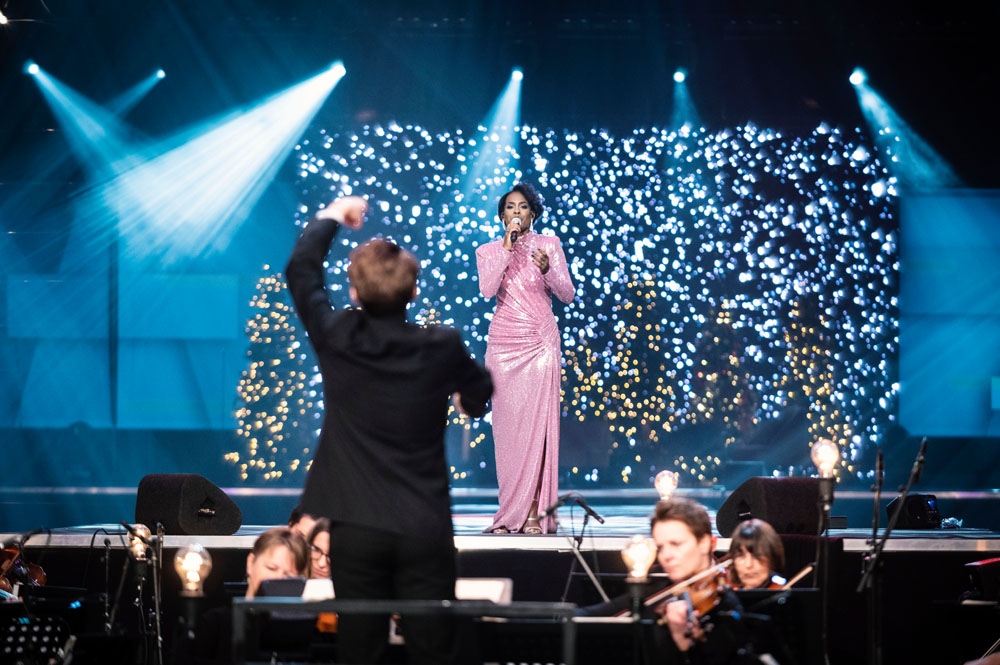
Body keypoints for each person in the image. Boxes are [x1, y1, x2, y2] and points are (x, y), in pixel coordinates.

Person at [285, 195, 493, 665]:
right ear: (414, 292)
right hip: (423, 524)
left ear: (354, 294)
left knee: (360, 649)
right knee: (433, 649)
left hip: (356, 524)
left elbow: (301, 271)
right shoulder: (441, 345)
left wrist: (335, 215)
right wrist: (464, 399)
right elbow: (481, 390)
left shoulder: (338, 335)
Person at [475, 182, 576, 534]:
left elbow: (568, 294)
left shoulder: (550, 245)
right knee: (508, 434)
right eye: (509, 208)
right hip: (503, 346)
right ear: (502, 215)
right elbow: (487, 290)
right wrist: (506, 247)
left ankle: (534, 513)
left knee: (538, 431)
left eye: (522, 208)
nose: (516, 213)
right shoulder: (488, 250)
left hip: (539, 343)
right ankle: (508, 513)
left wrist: (550, 269)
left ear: (533, 213)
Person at [650, 498, 748, 664]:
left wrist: (684, 646)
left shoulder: (726, 606)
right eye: (661, 547)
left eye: (676, 544)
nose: (666, 556)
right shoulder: (662, 592)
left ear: (706, 544)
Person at [192, 527, 309, 664]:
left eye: (288, 575)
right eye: (271, 568)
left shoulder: (301, 633)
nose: (278, 578)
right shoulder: (214, 624)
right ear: (251, 563)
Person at [727, 518, 786, 589]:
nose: (748, 565)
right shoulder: (723, 596)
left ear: (772, 557)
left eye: (757, 555)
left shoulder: (783, 595)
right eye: (741, 556)